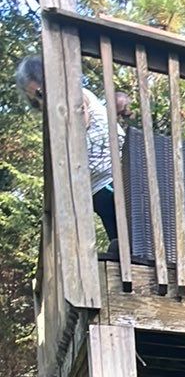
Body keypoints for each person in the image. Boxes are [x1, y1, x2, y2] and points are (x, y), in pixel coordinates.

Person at [15, 54, 129, 241]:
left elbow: (78, 131)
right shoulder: (60, 108)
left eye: (40, 94)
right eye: (35, 100)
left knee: (130, 235)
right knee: (119, 238)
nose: (40, 103)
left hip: (113, 179)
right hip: (98, 187)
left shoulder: (74, 95)